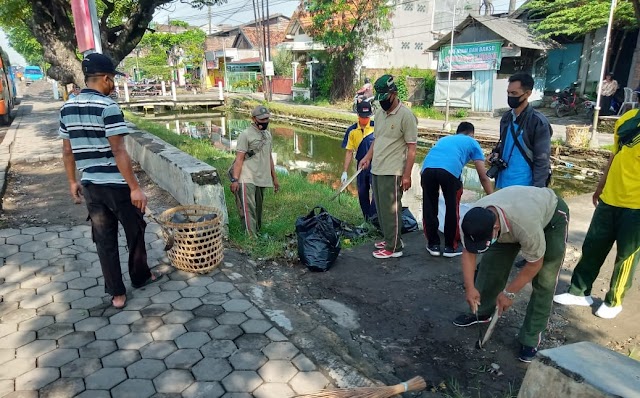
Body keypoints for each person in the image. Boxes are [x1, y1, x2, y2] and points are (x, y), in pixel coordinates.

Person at [59, 53, 157, 310]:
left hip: (90, 185)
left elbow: (67, 151)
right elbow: (119, 151)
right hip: (116, 185)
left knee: (104, 238)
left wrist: (72, 182)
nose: (113, 85)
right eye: (112, 80)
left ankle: (116, 294)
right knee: (135, 229)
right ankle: (140, 276)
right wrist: (135, 188)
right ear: (104, 78)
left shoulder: (67, 108)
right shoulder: (108, 107)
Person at [453, 186, 569, 363]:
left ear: (495, 227)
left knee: (545, 280)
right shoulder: (473, 220)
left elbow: (534, 263)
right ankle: (482, 312)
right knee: (491, 266)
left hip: (551, 217)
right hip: (510, 219)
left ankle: (530, 338)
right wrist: (470, 287)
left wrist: (509, 292)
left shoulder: (526, 226)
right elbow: (469, 253)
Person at [553, 102, 640, 319]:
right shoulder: (628, 118)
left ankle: (614, 301)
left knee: (626, 256)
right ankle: (580, 292)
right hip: (610, 199)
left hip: (636, 207)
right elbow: (615, 155)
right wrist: (600, 185)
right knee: (593, 246)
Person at [359, 74, 418, 259]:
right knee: (382, 209)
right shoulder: (379, 113)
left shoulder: (406, 116)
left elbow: (412, 148)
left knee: (392, 209)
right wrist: (367, 157)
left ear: (394, 93)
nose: (383, 102)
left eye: (386, 98)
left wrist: (407, 175)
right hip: (377, 167)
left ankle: (394, 248)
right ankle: (390, 239)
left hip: (393, 171)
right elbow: (378, 139)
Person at [421, 122, 493, 257]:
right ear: (472, 134)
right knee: (452, 208)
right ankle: (450, 246)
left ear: (457, 132)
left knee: (429, 207)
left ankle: (433, 245)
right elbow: (483, 177)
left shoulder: (444, 139)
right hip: (449, 172)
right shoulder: (472, 142)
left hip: (427, 170)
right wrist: (492, 197)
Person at [492, 73, 552, 189]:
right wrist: (495, 153)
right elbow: (506, 144)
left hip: (524, 186)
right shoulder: (506, 117)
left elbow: (542, 159)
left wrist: (538, 190)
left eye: (514, 93)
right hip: (503, 183)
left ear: (527, 94)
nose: (510, 96)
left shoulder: (538, 122)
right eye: (508, 93)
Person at [229, 105, 280, 236]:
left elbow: (269, 157)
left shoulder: (268, 135)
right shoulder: (245, 135)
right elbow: (239, 159)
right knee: (248, 208)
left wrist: (274, 178)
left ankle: (256, 232)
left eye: (267, 119)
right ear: (253, 119)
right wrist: (235, 179)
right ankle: (250, 238)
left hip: (261, 177)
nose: (265, 122)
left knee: (257, 209)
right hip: (247, 177)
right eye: (262, 119)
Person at [340, 100, 376, 221]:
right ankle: (367, 219)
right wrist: (345, 171)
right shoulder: (352, 131)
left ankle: (374, 218)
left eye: (367, 117)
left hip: (376, 165)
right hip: (361, 166)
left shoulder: (377, 128)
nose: (365, 120)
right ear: (358, 115)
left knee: (376, 193)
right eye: (362, 117)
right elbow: (349, 151)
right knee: (362, 193)